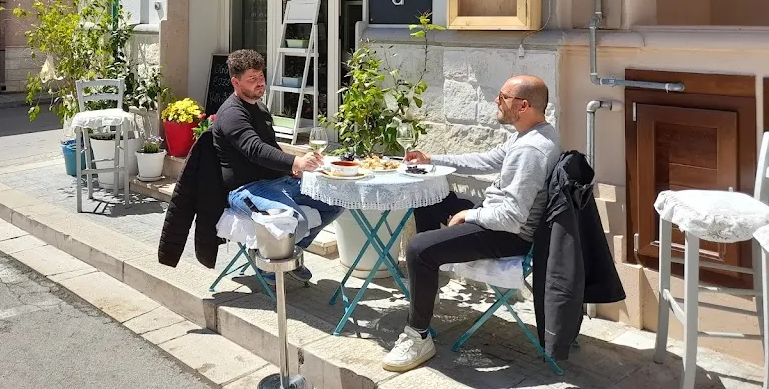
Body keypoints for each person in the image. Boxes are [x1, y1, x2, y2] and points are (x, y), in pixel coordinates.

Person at [381, 74, 561, 373]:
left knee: (417, 248)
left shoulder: (532, 150)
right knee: (428, 196)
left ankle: (418, 336)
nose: (496, 101)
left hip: (506, 235)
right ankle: (428, 282)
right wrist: (432, 160)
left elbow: (513, 217)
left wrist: (470, 215)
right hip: (495, 218)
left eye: (503, 97)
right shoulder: (531, 134)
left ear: (524, 105)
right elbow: (487, 159)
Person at [213, 49, 343, 283]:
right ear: (235, 81)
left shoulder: (260, 108)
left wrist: (292, 170)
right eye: (252, 80)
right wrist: (295, 162)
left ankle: (291, 254)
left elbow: (271, 146)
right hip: (245, 190)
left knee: (335, 200)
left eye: (261, 76)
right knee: (296, 220)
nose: (260, 83)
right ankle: (268, 262)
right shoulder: (232, 114)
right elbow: (255, 149)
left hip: (277, 182)